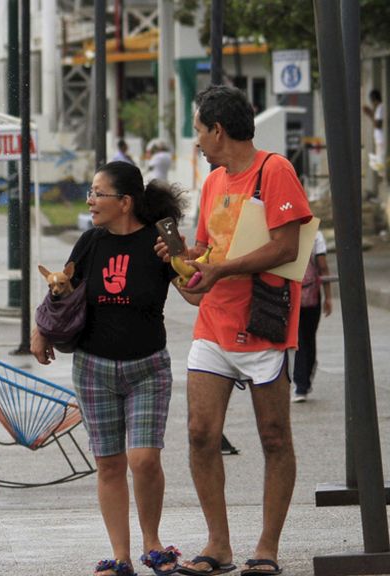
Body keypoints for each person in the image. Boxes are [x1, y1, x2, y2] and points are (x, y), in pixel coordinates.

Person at [158, 85, 312, 576]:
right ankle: (217, 545)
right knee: (201, 433)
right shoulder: (213, 183)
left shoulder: (275, 171)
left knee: (274, 436)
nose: (197, 141)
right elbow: (205, 261)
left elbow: (287, 247)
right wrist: (182, 264)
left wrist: (223, 270)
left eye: (199, 130)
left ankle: (266, 548)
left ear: (218, 130)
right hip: (213, 324)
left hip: (262, 324)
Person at [31, 161, 190, 576]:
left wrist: (180, 256)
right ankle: (121, 557)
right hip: (93, 368)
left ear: (124, 202)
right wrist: (40, 331)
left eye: (98, 193)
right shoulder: (90, 242)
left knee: (143, 459)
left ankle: (152, 542)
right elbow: (61, 294)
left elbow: (195, 296)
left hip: (148, 368)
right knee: (109, 463)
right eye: (90, 192)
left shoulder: (158, 242)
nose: (90, 200)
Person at [292, 232, 333, 403]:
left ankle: (301, 385)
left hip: (292, 296)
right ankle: (304, 380)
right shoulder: (316, 235)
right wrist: (328, 297)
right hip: (312, 296)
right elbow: (323, 267)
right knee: (308, 339)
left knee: (300, 340)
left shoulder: (287, 232)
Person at [363, 89, 384, 174]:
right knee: (380, 166)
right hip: (380, 141)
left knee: (381, 167)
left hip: (381, 141)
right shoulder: (379, 108)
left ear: (374, 99)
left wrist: (370, 114)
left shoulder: (380, 108)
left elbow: (378, 125)